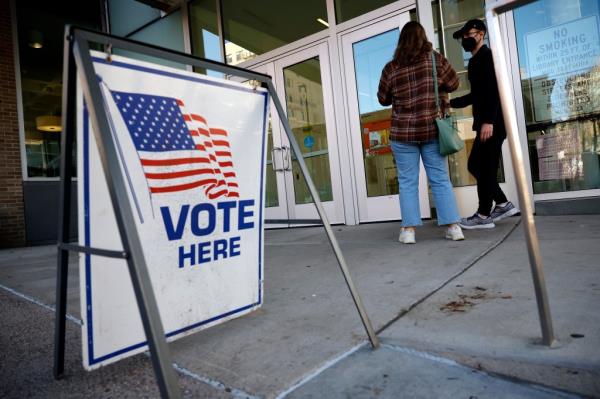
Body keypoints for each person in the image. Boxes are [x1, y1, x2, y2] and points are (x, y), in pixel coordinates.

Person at [377, 21, 464, 244]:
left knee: (407, 182)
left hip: (403, 132)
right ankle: (453, 227)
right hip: (431, 128)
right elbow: (454, 83)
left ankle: (408, 231)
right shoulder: (435, 59)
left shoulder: (391, 67)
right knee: (439, 178)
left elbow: (383, 98)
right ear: (423, 37)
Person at [450, 19, 519, 229]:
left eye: (468, 34)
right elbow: (477, 95)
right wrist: (450, 103)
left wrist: (489, 121)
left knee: (483, 167)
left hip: (492, 123)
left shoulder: (487, 57)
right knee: (478, 166)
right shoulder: (475, 61)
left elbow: (495, 92)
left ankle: (483, 215)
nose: (465, 39)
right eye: (462, 36)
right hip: (486, 122)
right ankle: (502, 204)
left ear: (481, 34)